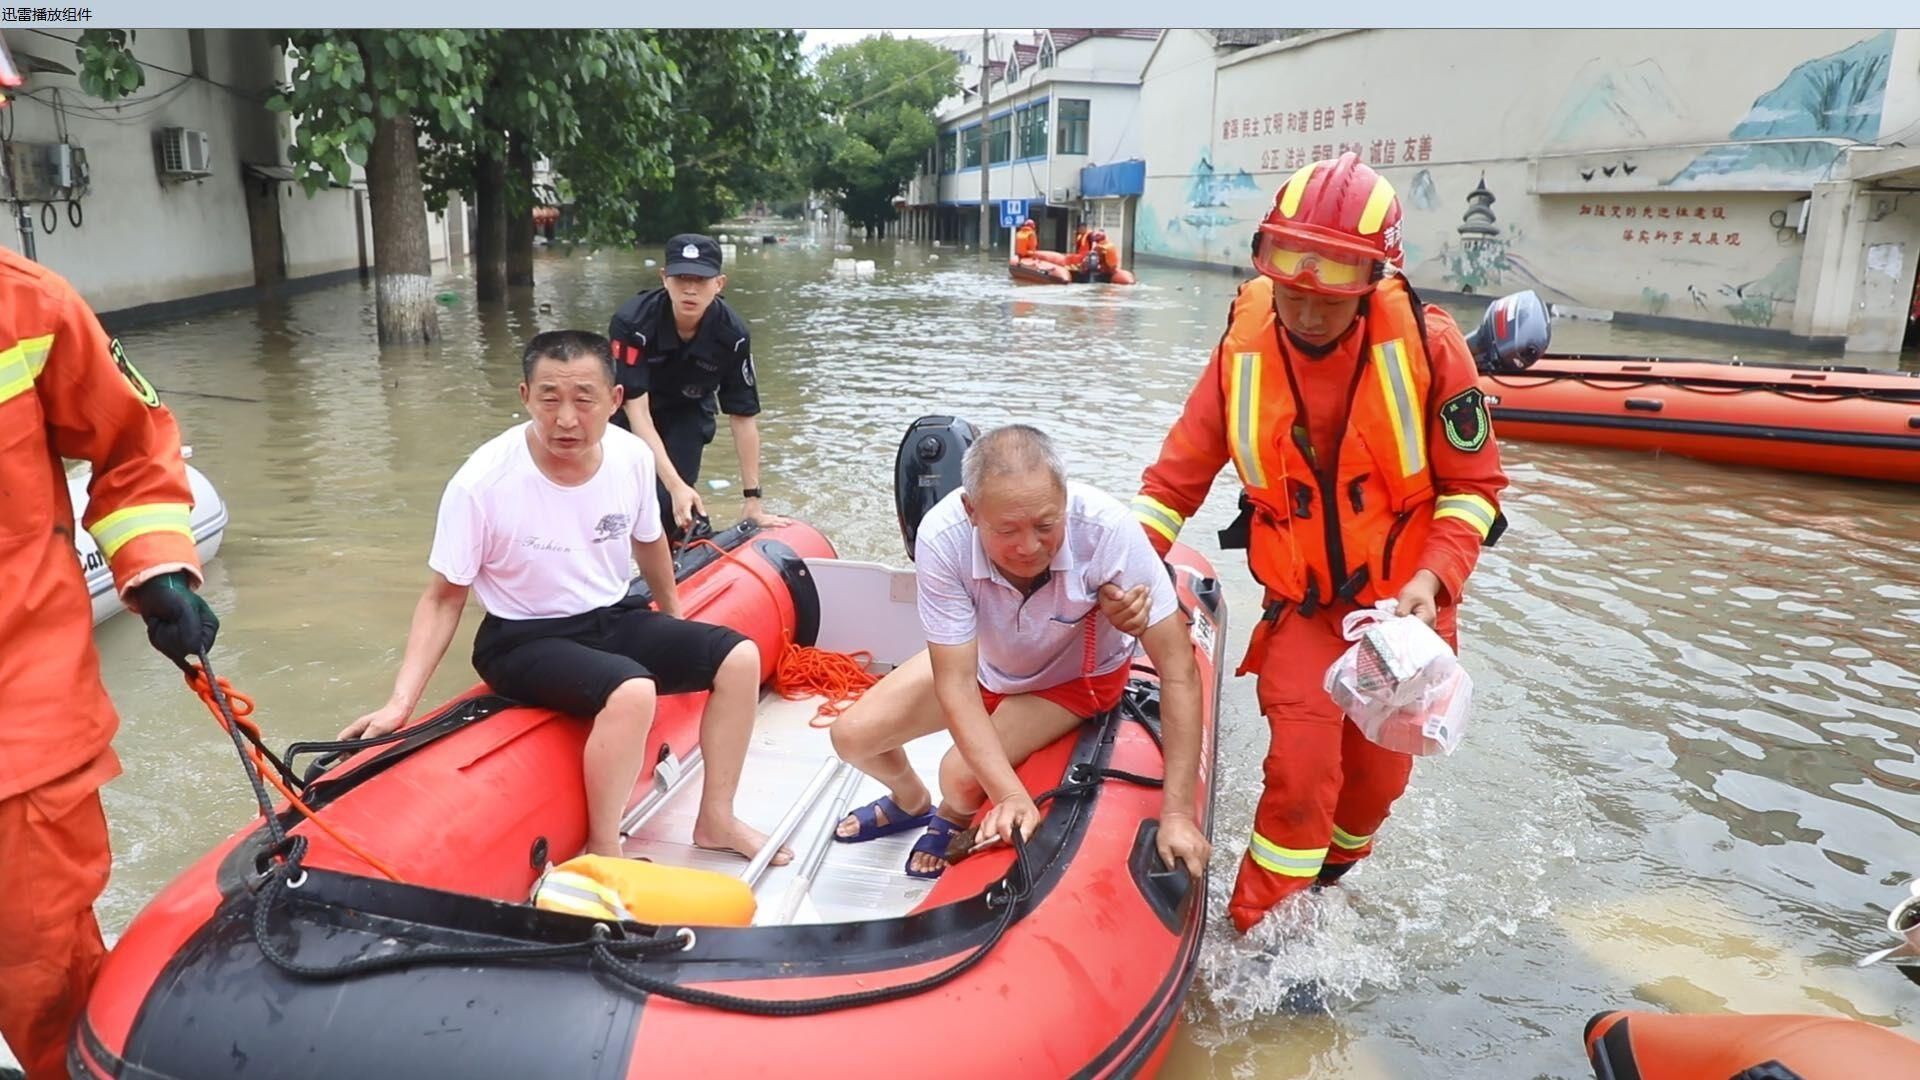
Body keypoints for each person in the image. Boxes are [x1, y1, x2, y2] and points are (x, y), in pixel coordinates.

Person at [1125, 152, 1508, 934]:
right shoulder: (1243, 350)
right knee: (1300, 777)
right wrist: (1119, 566)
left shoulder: (1430, 347)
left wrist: (1434, 579)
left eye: (1326, 299)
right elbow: (1172, 483)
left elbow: (1474, 490)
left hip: (1405, 617)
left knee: (1373, 789)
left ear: (1372, 282)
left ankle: (1326, 887)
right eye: (1290, 292)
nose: (1304, 313)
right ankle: (1259, 931)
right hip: (1302, 611)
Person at [342, 330, 789, 867]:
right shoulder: (483, 482)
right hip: (521, 637)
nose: (567, 419)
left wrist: (675, 619)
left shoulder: (631, 456)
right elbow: (442, 598)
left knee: (738, 657)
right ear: (525, 396)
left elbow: (649, 541)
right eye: (549, 399)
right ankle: (605, 848)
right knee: (632, 690)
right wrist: (400, 703)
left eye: (584, 399)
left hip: (611, 616)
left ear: (615, 399)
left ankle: (716, 819)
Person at [0, 246, 218, 1080]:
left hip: (19, 724)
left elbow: (133, 443)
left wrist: (157, 567)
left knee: (45, 977)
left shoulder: (28, 308)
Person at [827, 425, 1211, 880]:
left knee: (958, 776)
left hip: (1071, 680)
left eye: (1046, 526)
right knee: (851, 737)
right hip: (987, 663)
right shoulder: (942, 537)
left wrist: (1177, 814)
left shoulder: (1106, 529)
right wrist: (1010, 795)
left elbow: (1178, 669)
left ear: (1065, 500)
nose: (1028, 547)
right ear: (971, 511)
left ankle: (953, 812)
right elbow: (956, 683)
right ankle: (910, 800)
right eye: (1007, 530)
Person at [606, 233, 788, 541]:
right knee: (619, 499)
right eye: (681, 278)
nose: (690, 289)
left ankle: (683, 552)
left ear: (719, 284)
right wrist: (674, 484)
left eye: (701, 280)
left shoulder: (733, 336)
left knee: (670, 507)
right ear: (664, 278)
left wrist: (752, 499)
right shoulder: (632, 323)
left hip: (687, 411)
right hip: (631, 411)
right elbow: (637, 411)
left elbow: (743, 416)